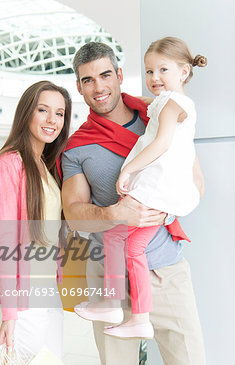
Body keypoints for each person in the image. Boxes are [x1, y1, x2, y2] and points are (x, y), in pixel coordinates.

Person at [61, 42, 218, 365]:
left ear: (119, 73)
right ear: (79, 87)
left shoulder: (160, 114)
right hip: (108, 278)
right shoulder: (76, 148)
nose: (98, 86)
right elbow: (74, 213)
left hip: (165, 271)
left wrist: (162, 212)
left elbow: (194, 182)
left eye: (105, 74)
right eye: (87, 79)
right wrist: (116, 214)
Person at [74, 37, 206, 340]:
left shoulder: (170, 106)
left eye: (163, 70)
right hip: (155, 197)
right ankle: (129, 313)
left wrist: (129, 169)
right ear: (79, 86)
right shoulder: (160, 104)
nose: (155, 78)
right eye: (149, 72)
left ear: (184, 72)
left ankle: (121, 310)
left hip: (158, 203)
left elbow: (162, 145)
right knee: (122, 241)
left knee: (122, 241)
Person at [0, 81, 71, 358]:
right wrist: (9, 314)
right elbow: (6, 241)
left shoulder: (45, 166)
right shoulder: (10, 164)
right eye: (43, 110)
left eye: (59, 113)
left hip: (48, 291)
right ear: (26, 113)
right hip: (24, 299)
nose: (52, 120)